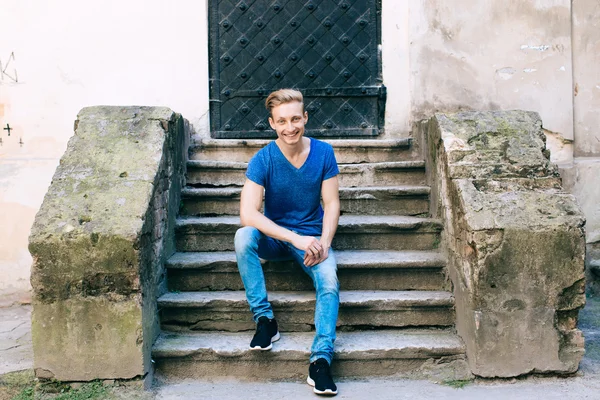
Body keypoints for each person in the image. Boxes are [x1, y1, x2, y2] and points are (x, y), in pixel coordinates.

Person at [234, 88, 340, 396]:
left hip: (313, 240)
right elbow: (248, 214)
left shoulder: (323, 153)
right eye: (282, 121)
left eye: (295, 119)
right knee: (244, 237)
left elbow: (331, 203)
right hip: (278, 239)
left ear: (305, 118)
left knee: (330, 281)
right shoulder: (263, 159)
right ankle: (265, 320)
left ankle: (320, 361)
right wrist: (295, 237)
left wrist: (324, 242)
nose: (289, 127)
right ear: (272, 124)